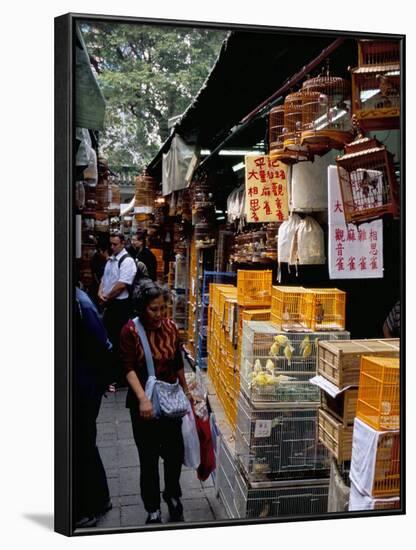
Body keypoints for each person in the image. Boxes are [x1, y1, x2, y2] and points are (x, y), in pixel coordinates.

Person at [119, 281, 192, 524]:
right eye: (154, 309)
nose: (160, 314)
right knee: (148, 458)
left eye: (163, 308)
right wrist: (142, 400)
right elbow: (127, 368)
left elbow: (177, 362)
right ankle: (152, 507)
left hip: (170, 402)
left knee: (174, 454)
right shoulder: (130, 331)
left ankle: (172, 494)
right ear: (141, 308)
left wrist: (186, 390)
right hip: (145, 406)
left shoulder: (171, 327)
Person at [74, 287, 113, 528]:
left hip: (83, 388)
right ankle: (99, 499)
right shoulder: (79, 300)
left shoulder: (80, 304)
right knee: (84, 443)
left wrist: (102, 383)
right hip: (82, 385)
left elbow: (104, 347)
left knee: (81, 445)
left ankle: (88, 507)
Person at [98, 232, 137, 380]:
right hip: (110, 303)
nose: (112, 247)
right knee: (110, 337)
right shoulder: (111, 260)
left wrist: (106, 297)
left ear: (122, 244)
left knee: (120, 340)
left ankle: (121, 375)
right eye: (111, 244)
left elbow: (122, 285)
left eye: (115, 244)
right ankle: (112, 372)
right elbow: (104, 278)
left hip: (120, 306)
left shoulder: (127, 261)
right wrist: (100, 292)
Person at [90, 239, 109, 305]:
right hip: (98, 288)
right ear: (101, 251)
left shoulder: (104, 259)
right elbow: (96, 276)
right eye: (106, 252)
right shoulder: (95, 260)